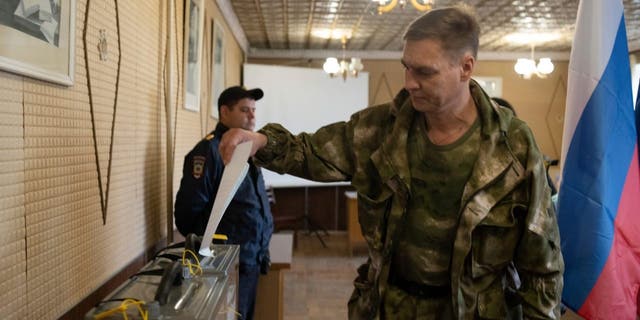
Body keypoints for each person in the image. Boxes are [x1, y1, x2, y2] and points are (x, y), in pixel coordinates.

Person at [219, 5, 563, 319]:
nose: (409, 83)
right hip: (388, 307)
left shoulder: (512, 146)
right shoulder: (382, 128)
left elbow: (542, 266)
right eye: (406, 68)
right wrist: (260, 141)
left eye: (424, 72)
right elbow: (313, 152)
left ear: (466, 68)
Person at [174, 86, 273, 320]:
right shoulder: (210, 151)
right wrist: (214, 252)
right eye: (244, 110)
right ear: (224, 112)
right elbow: (188, 214)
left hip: (251, 258)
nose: (252, 116)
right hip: (226, 264)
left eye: (254, 111)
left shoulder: (248, 148)